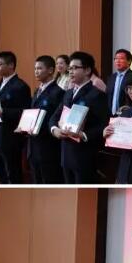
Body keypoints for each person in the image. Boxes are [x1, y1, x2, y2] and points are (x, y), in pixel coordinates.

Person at [49, 51, 109, 183]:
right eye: (69, 68)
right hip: (65, 154)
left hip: (84, 155)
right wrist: (54, 129)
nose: (70, 71)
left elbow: (104, 125)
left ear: (87, 70)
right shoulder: (68, 93)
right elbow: (54, 116)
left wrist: (84, 135)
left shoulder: (96, 95)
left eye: (75, 68)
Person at [0, 51, 31, 184]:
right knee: (1, 174)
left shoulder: (20, 86)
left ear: (11, 65)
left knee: (12, 174)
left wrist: (4, 111)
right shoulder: (0, 83)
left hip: (10, 137)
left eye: (0, 64)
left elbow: (25, 112)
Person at [27, 55, 65, 184]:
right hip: (33, 146)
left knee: (49, 181)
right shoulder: (37, 90)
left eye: (39, 68)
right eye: (35, 68)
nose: (36, 71)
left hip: (48, 147)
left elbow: (57, 119)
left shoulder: (58, 92)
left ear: (50, 70)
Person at [106, 48, 132, 116]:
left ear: (129, 61)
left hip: (126, 115)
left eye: (121, 58)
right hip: (111, 116)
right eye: (116, 58)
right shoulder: (111, 78)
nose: (118, 61)